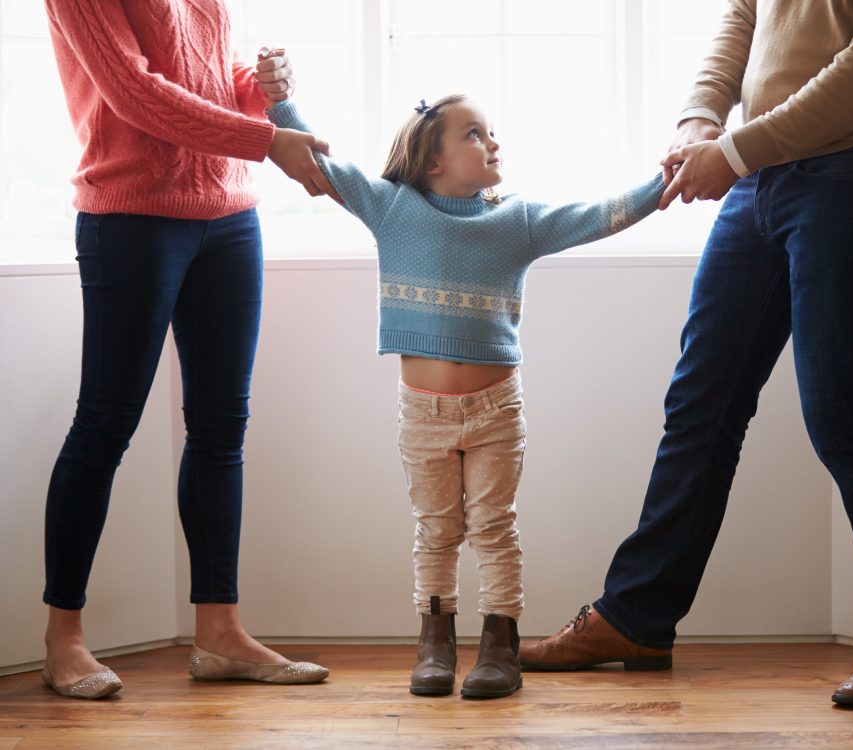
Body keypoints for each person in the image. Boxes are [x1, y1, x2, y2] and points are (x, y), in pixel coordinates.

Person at [520, 0, 853, 709]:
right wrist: (701, 118)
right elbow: (744, 17)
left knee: (843, 410)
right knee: (701, 403)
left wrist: (732, 151)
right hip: (760, 180)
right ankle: (637, 617)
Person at [265, 95, 664, 698]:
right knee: (436, 529)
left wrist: (668, 180)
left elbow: (601, 215)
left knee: (494, 527)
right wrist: (279, 100)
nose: (492, 141)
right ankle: (435, 642)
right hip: (422, 414)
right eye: (474, 134)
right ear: (431, 161)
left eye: (491, 131)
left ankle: (500, 645)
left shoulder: (517, 220)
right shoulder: (392, 207)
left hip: (496, 410)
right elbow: (321, 163)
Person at [42, 1, 332, 699]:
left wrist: (262, 87)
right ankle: (63, 640)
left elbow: (208, 77)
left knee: (220, 428)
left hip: (229, 218)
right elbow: (134, 92)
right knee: (104, 424)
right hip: (132, 218)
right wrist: (266, 140)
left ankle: (220, 633)